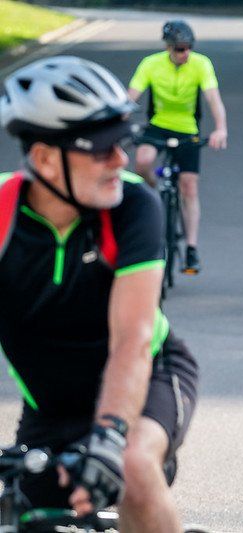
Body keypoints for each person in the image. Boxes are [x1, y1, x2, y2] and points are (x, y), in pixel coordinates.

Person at [0, 55, 199, 532]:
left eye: (122, 143)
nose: (121, 160)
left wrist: (109, 437)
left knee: (131, 466)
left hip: (150, 378)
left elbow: (132, 338)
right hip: (50, 406)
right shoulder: (4, 217)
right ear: (45, 158)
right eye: (102, 149)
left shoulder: (134, 205)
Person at [128, 19, 228, 275]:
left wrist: (220, 128)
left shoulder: (201, 64)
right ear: (168, 47)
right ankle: (153, 195)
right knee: (142, 161)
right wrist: (118, 124)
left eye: (188, 48)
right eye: (179, 49)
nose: (185, 54)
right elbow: (129, 99)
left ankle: (191, 249)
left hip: (187, 128)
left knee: (189, 186)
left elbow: (213, 99)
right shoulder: (150, 64)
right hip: (158, 125)